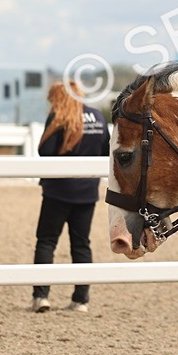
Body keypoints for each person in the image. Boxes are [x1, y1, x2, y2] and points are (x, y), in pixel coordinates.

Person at [31, 81, 110, 313]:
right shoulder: (97, 116)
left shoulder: (59, 116)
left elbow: (45, 151)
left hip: (58, 191)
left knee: (46, 241)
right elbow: (105, 150)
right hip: (87, 192)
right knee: (82, 244)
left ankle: (41, 296)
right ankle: (81, 298)